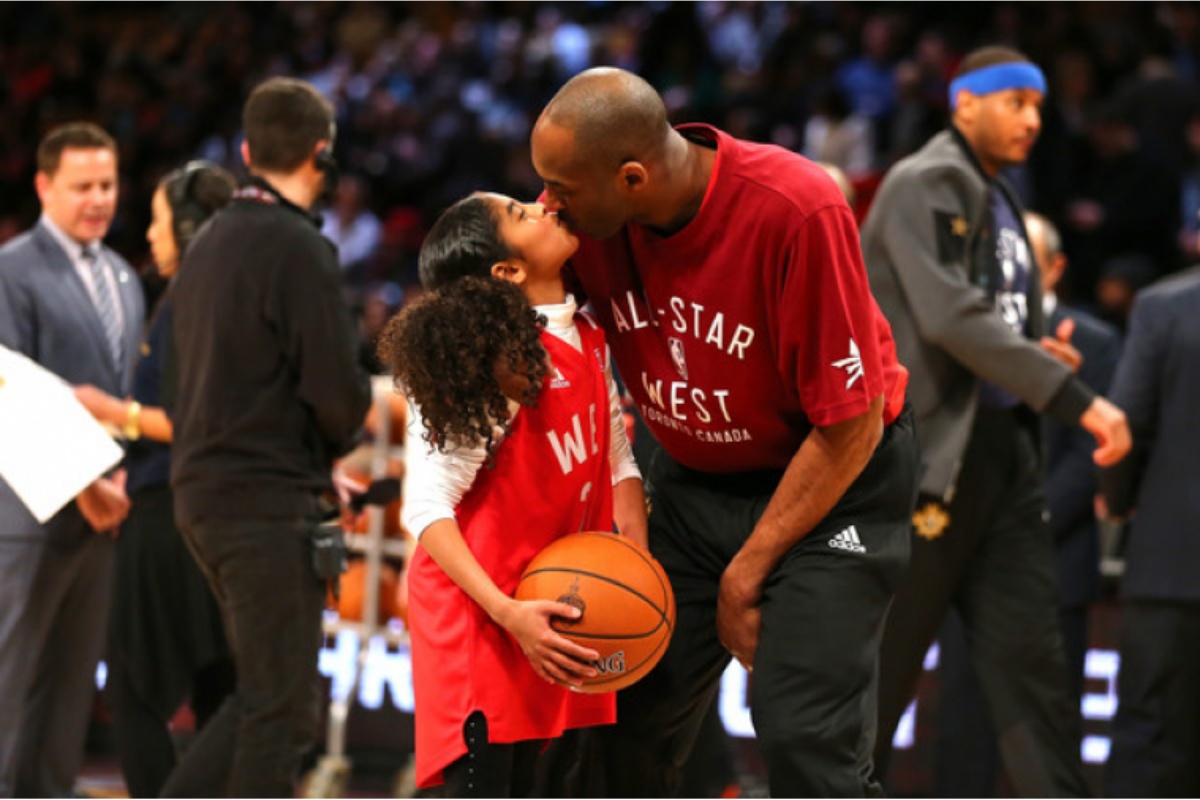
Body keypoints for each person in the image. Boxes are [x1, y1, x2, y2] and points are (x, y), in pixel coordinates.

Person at [530, 66, 919, 797]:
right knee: (616, 712)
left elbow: (850, 421)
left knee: (803, 733)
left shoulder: (796, 209)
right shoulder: (588, 224)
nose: (547, 204)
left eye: (562, 188)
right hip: (688, 477)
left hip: (833, 479)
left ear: (633, 178)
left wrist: (747, 571)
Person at [859, 46, 1131, 797]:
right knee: (880, 686)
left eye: (1040, 106)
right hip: (928, 464)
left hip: (1005, 458)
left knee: (1035, 679)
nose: (1033, 119)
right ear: (965, 101)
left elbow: (989, 320)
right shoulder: (926, 180)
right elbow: (947, 314)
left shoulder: (1002, 196)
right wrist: (1077, 398)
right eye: (1015, 101)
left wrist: (1033, 353)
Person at [380, 192, 647, 796]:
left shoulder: (588, 337)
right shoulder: (492, 363)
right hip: (485, 614)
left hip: (550, 604)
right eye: (521, 214)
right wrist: (505, 612)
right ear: (508, 271)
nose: (543, 205)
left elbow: (617, 461)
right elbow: (425, 504)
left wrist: (636, 566)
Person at [162, 77, 371, 797]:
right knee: (280, 711)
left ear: (248, 151)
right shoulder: (298, 247)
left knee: (264, 699)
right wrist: (339, 437)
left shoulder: (208, 241)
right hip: (263, 504)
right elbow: (339, 400)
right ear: (324, 153)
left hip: (203, 495)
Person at [933, 212, 1123, 797]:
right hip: (967, 561)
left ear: (1054, 268)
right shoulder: (967, 336)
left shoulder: (1094, 341)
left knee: (1043, 733)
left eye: (1016, 258)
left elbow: (1090, 458)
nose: (1001, 272)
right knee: (962, 728)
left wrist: (1020, 520)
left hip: (1053, 563)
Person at [71, 161, 238, 797]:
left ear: (191, 228)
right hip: (213, 513)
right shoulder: (224, 295)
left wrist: (115, 413)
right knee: (218, 683)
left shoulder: (190, 298)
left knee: (135, 690)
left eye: (161, 222)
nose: (149, 235)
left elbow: (200, 421)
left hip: (166, 511)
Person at [0, 122, 145, 797]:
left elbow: (123, 398)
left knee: (66, 691)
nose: (98, 199)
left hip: (103, 512)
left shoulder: (122, 274)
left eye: (107, 185)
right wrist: (82, 481)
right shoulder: (11, 269)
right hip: (28, 511)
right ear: (43, 187)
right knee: (8, 680)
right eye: (82, 186)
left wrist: (113, 480)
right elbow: (8, 391)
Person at [1100, 265, 1200, 797]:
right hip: (1171, 563)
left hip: (1173, 560)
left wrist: (1118, 504)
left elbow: (1125, 423)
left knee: (1152, 740)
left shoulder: (1164, 307)